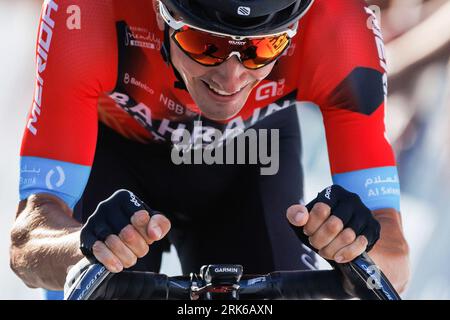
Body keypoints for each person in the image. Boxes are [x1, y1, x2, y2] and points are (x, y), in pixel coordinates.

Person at [10, 0, 409, 300]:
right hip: (116, 157)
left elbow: (395, 264)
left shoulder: (340, 29)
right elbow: (26, 243)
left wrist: (357, 247)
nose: (231, 77)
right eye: (204, 45)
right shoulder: (88, 12)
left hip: (250, 157)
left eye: (264, 48)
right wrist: (81, 248)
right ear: (160, 12)